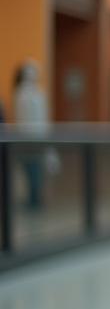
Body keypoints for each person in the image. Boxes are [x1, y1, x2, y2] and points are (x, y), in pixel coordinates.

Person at [13, 62, 49, 208]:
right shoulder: (22, 93)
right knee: (30, 172)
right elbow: (23, 118)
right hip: (27, 139)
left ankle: (35, 199)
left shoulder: (37, 93)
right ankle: (32, 200)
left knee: (36, 171)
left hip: (37, 139)